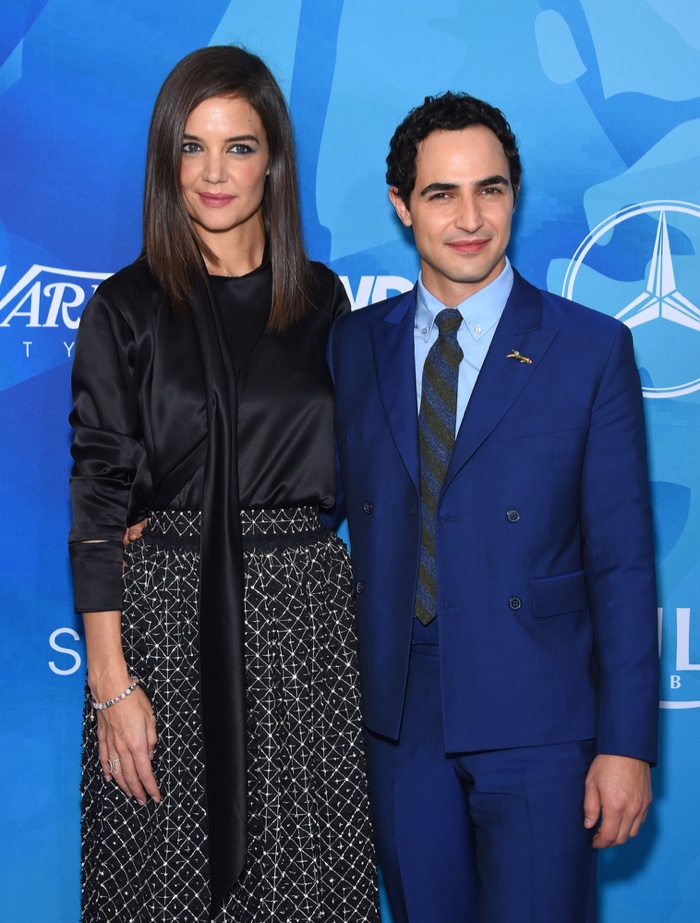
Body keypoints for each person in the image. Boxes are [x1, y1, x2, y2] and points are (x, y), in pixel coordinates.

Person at [328, 92, 659, 923]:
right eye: (442, 193)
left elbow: (622, 562)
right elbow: (297, 484)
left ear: (515, 193)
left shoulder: (589, 348)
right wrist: (169, 509)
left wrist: (626, 743)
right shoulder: (351, 346)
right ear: (403, 205)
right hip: (400, 720)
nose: (470, 218)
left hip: (540, 717)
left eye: (492, 189)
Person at [69, 45, 379, 923]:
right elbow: (97, 499)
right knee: (162, 886)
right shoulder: (124, 307)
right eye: (192, 148)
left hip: (307, 625)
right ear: (167, 160)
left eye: (238, 147)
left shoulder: (323, 299)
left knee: (310, 882)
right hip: (166, 627)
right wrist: (112, 686)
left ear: (273, 157)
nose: (215, 173)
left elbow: (358, 465)